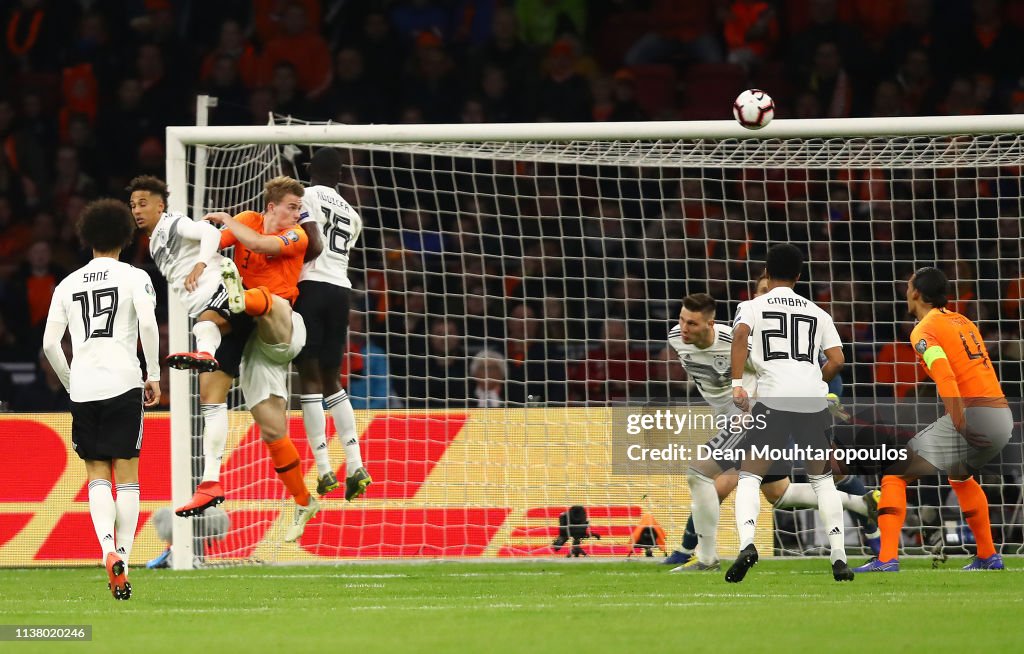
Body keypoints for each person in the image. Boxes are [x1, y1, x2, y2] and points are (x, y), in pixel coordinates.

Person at [665, 292, 874, 572]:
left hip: (752, 415)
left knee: (701, 472)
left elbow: (772, 370)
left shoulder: (735, 341)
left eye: (692, 323)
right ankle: (862, 503)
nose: (684, 328)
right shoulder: (675, 337)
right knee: (778, 493)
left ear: (711, 323)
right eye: (682, 320)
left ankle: (705, 558)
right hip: (730, 419)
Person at [854, 267, 1012, 573]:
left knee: (894, 475)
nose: (905, 290)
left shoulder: (924, 330)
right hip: (1000, 414)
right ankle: (988, 555)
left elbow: (945, 376)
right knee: (959, 476)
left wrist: (961, 421)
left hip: (974, 415)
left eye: (908, 285)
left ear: (915, 293)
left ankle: (886, 559)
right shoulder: (962, 321)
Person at [42, 198, 161, 600]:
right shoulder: (133, 277)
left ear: (86, 238)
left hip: (86, 386)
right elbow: (146, 321)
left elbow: (50, 344)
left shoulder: (67, 284)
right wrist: (154, 373)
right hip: (124, 381)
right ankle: (123, 555)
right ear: (126, 239)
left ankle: (107, 550)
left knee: (96, 473)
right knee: (127, 475)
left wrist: (71, 381)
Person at [728, 244, 853, 583]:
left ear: (766, 273)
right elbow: (838, 359)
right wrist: (816, 380)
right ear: (799, 276)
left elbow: (739, 337)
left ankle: (747, 544)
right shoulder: (818, 312)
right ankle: (839, 557)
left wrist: (738, 383)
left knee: (750, 477)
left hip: (773, 401)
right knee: (822, 481)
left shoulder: (751, 306)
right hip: (811, 402)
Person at [203, 176, 319, 542]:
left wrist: (228, 220)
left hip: (282, 330)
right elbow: (211, 241)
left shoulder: (296, 236)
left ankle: (242, 299)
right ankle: (304, 500)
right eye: (291, 207)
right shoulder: (248, 219)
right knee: (272, 429)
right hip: (256, 347)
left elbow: (257, 242)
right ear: (272, 207)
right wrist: (199, 258)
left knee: (275, 304)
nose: (297, 214)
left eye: (299, 209)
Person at [130, 175, 248, 519]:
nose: (137, 210)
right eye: (133, 205)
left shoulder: (173, 223)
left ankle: (206, 351)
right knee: (210, 399)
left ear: (160, 205)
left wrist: (200, 263)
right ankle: (211, 482)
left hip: (222, 294)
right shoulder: (152, 244)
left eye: (143, 203)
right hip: (210, 309)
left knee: (205, 324)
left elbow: (209, 234)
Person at [293, 148, 371, 501]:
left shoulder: (304, 195)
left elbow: (311, 243)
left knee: (307, 377)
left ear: (310, 169)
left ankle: (324, 469)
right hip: (342, 292)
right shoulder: (353, 215)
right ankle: (355, 463)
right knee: (332, 378)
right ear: (341, 175)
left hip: (311, 286)